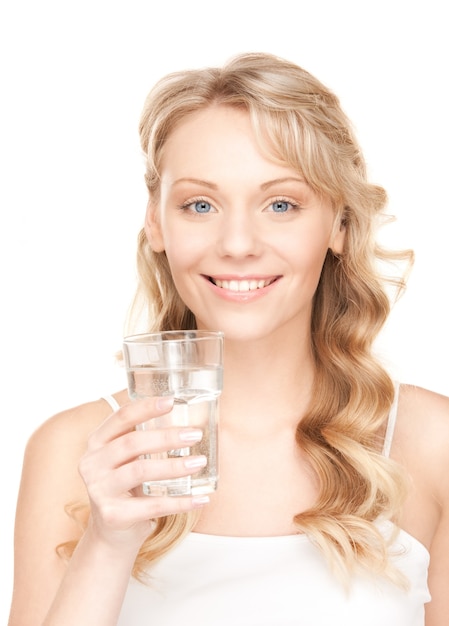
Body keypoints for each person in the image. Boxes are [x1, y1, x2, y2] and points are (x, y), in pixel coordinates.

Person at [7, 52, 449, 626]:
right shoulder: (72, 451)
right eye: (200, 204)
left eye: (281, 204)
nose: (238, 242)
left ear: (340, 223)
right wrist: (107, 543)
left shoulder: (429, 443)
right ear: (157, 222)